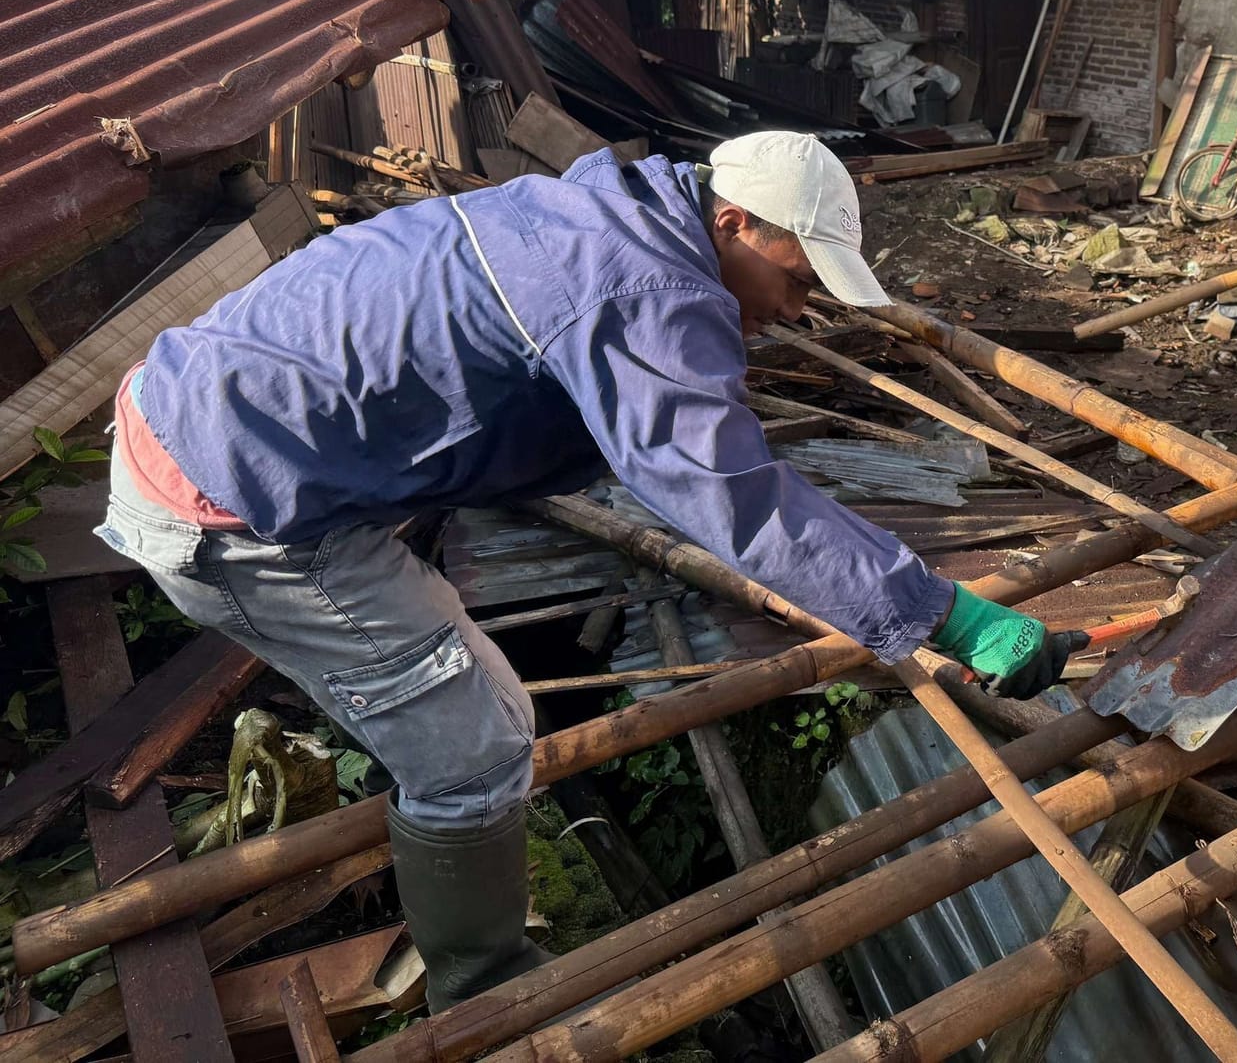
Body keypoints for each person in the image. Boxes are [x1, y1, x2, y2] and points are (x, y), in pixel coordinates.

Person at [92, 130, 1075, 1011]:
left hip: (213, 422)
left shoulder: (606, 212)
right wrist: (946, 616)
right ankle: (485, 999)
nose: (797, 307)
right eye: (800, 277)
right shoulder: (648, 288)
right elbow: (731, 495)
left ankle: (476, 931)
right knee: (476, 756)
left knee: (498, 717)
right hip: (231, 507)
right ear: (729, 220)